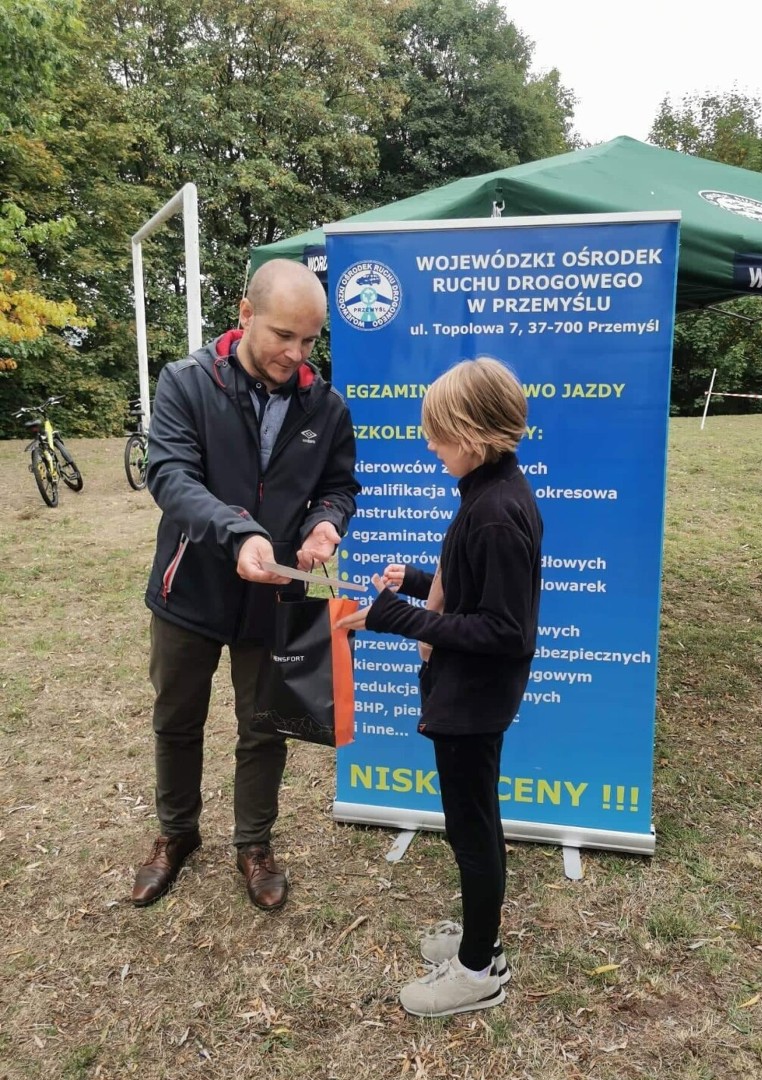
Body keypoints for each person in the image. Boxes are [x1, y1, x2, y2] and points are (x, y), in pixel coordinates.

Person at [131, 259, 359, 912]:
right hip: (189, 592)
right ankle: (177, 834)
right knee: (177, 717)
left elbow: (339, 485)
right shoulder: (186, 383)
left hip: (274, 597)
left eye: (309, 340)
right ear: (245, 314)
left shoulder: (325, 405)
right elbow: (170, 475)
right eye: (283, 335)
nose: (296, 352)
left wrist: (324, 526)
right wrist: (239, 532)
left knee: (263, 726)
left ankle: (253, 843)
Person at [336, 357, 543, 1017]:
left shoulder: (495, 512)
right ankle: (484, 941)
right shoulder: (489, 493)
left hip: (473, 701)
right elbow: (477, 591)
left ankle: (477, 969)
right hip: (465, 689)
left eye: (439, 434)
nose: (430, 445)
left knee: (472, 829)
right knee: (469, 825)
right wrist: (425, 581)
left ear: (475, 436)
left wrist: (399, 615)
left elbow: (506, 631)